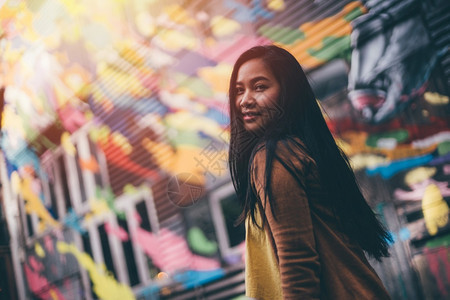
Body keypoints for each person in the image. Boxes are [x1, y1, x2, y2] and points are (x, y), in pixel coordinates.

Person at [228, 45, 392, 299]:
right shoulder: (305, 149)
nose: (245, 100)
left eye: (260, 87)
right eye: (239, 90)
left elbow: (297, 263)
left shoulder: (275, 156)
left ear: (288, 93)